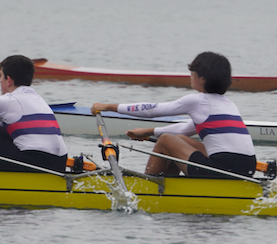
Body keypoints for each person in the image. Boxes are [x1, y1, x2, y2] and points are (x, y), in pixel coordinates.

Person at [91, 51, 257, 178]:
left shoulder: (198, 100)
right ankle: (168, 183)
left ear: (203, 78)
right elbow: (185, 129)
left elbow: (152, 110)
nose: (190, 77)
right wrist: (147, 132)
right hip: (248, 168)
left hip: (224, 169)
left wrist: (107, 106)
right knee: (179, 140)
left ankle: (148, 186)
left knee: (166, 141)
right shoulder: (228, 104)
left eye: (193, 73)